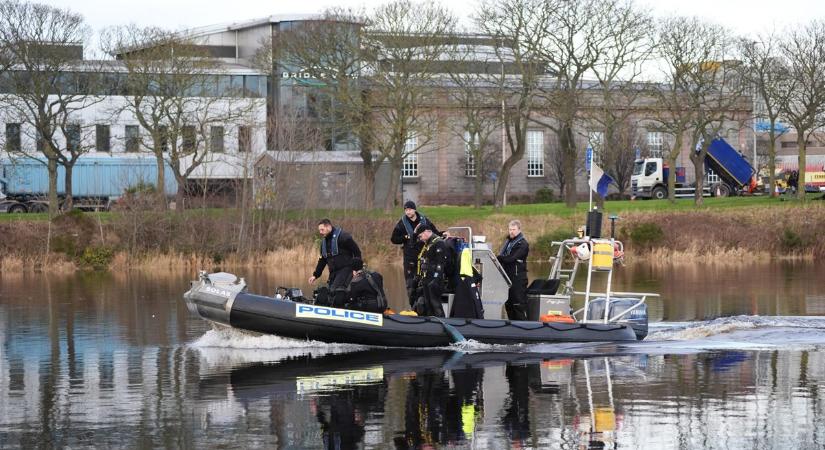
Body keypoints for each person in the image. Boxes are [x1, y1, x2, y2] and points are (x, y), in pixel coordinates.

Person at [391, 200, 440, 306]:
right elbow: (394, 239)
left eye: (409, 209)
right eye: (406, 210)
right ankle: (413, 308)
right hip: (410, 258)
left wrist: (442, 234)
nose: (407, 212)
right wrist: (405, 237)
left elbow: (434, 232)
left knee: (425, 284)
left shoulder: (424, 220)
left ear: (414, 210)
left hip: (424, 256)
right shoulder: (402, 223)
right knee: (411, 285)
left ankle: (425, 307)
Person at [309, 219, 362, 308]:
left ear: (328, 227)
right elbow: (322, 260)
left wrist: (356, 269)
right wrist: (315, 275)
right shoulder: (323, 243)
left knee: (334, 291)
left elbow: (357, 252)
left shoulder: (343, 237)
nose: (320, 232)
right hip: (333, 273)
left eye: (322, 230)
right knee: (329, 291)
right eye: (319, 230)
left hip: (346, 269)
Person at [413, 224, 448, 317]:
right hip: (426, 278)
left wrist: (436, 279)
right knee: (428, 304)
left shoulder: (438, 242)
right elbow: (413, 245)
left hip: (435, 279)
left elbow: (440, 264)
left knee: (435, 304)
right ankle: (431, 323)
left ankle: (442, 322)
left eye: (420, 236)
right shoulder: (428, 243)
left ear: (426, 232)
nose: (420, 239)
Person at [497, 220, 529, 321]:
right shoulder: (508, 242)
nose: (511, 232)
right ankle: (511, 324)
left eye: (514, 230)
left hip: (518, 278)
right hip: (508, 278)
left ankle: (523, 326)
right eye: (510, 229)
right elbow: (504, 257)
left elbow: (511, 258)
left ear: (519, 230)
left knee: (517, 304)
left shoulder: (523, 244)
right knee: (508, 303)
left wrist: (499, 258)